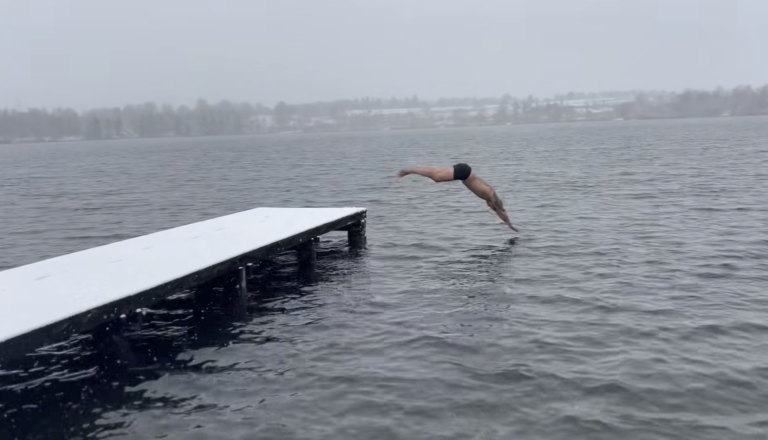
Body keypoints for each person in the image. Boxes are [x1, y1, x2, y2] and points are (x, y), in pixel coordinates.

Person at [396, 163, 519, 232]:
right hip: (464, 173)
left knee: (437, 174)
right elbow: (501, 211)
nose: (489, 207)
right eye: (492, 207)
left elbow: (498, 211)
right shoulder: (492, 198)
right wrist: (510, 225)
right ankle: (411, 169)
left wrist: (505, 221)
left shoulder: (490, 196)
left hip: (465, 172)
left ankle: (414, 169)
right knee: (437, 177)